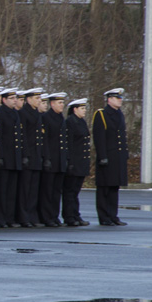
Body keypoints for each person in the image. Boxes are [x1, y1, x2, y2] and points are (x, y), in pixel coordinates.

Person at [93, 87, 129, 226]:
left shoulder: (119, 114)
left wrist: (124, 154)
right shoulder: (101, 114)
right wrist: (102, 156)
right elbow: (99, 137)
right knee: (104, 188)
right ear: (109, 100)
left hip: (117, 157)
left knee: (114, 187)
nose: (120, 101)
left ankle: (113, 215)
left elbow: (121, 136)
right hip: (107, 156)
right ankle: (104, 216)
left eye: (120, 98)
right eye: (117, 98)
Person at [0, 88, 23, 228]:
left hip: (14, 157)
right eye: (11, 98)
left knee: (11, 191)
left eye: (15, 98)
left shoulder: (15, 113)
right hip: (5, 157)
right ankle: (0, 218)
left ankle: (9, 217)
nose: (15, 100)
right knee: (2, 191)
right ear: (4, 100)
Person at [39, 92, 69, 227]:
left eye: (63, 103)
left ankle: (54, 215)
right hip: (51, 158)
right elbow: (44, 140)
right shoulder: (46, 118)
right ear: (52, 104)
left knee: (57, 191)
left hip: (60, 159)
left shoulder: (61, 118)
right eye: (59, 103)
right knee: (48, 191)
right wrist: (46, 157)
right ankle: (46, 217)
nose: (62, 105)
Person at [16, 88, 45, 228]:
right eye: (36, 98)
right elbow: (23, 137)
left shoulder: (37, 114)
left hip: (36, 155)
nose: (39, 100)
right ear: (28, 99)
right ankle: (23, 216)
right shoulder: (23, 113)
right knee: (25, 189)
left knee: (33, 189)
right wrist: (25, 155)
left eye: (39, 98)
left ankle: (32, 215)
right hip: (28, 155)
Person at [62, 98, 90, 227]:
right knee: (70, 191)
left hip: (81, 161)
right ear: (75, 109)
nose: (84, 111)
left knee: (76, 191)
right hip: (74, 161)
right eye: (82, 108)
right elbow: (69, 144)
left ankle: (75, 214)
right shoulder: (70, 122)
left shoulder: (81, 122)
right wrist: (70, 161)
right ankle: (69, 216)